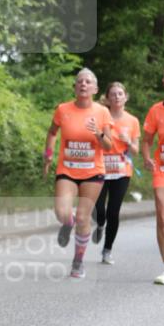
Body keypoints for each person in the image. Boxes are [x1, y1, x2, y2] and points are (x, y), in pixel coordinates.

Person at [43, 68, 113, 279]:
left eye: (87, 81)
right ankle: (68, 223)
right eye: (79, 81)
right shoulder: (63, 109)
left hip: (93, 172)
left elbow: (108, 146)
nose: (83, 84)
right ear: (74, 87)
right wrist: (48, 154)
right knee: (62, 212)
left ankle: (78, 262)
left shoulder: (102, 112)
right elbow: (52, 132)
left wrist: (97, 133)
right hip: (68, 170)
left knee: (84, 216)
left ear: (95, 88)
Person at [92, 82, 140, 264]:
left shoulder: (132, 121)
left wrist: (129, 141)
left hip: (121, 171)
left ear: (125, 97)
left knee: (114, 211)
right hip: (100, 168)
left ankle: (107, 250)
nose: (117, 97)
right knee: (99, 209)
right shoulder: (100, 117)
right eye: (113, 94)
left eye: (120, 94)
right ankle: (100, 223)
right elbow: (94, 139)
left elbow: (135, 151)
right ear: (107, 98)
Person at [141, 64, 164, 287]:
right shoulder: (156, 111)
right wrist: (147, 157)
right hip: (163, 170)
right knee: (163, 218)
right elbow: (147, 140)